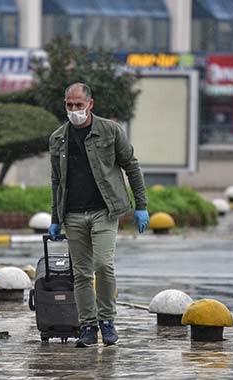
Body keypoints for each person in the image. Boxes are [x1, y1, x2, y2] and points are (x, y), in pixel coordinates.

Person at [48, 83, 149, 347]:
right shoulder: (58, 138)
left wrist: (141, 205)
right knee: (81, 274)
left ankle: (107, 320)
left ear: (90, 104)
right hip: (73, 213)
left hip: (104, 210)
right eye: (69, 105)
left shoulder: (111, 131)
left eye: (78, 105)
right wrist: (55, 219)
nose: (74, 110)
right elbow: (56, 181)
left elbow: (131, 166)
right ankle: (88, 327)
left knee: (103, 264)